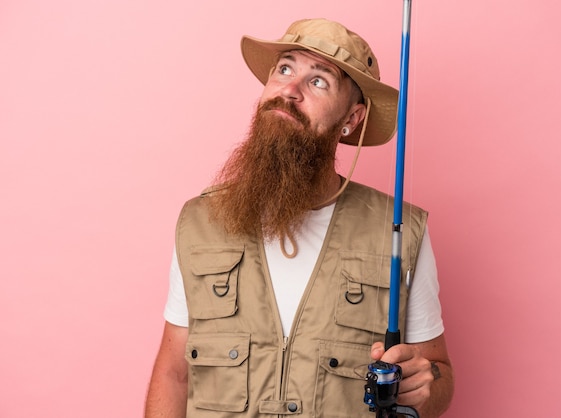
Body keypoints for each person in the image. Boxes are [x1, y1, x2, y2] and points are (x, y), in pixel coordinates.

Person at [145, 18, 454, 418]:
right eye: (284, 69)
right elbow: (174, 373)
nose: (289, 90)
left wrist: (423, 384)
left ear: (352, 118)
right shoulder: (201, 221)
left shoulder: (400, 232)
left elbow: (438, 377)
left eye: (319, 81)